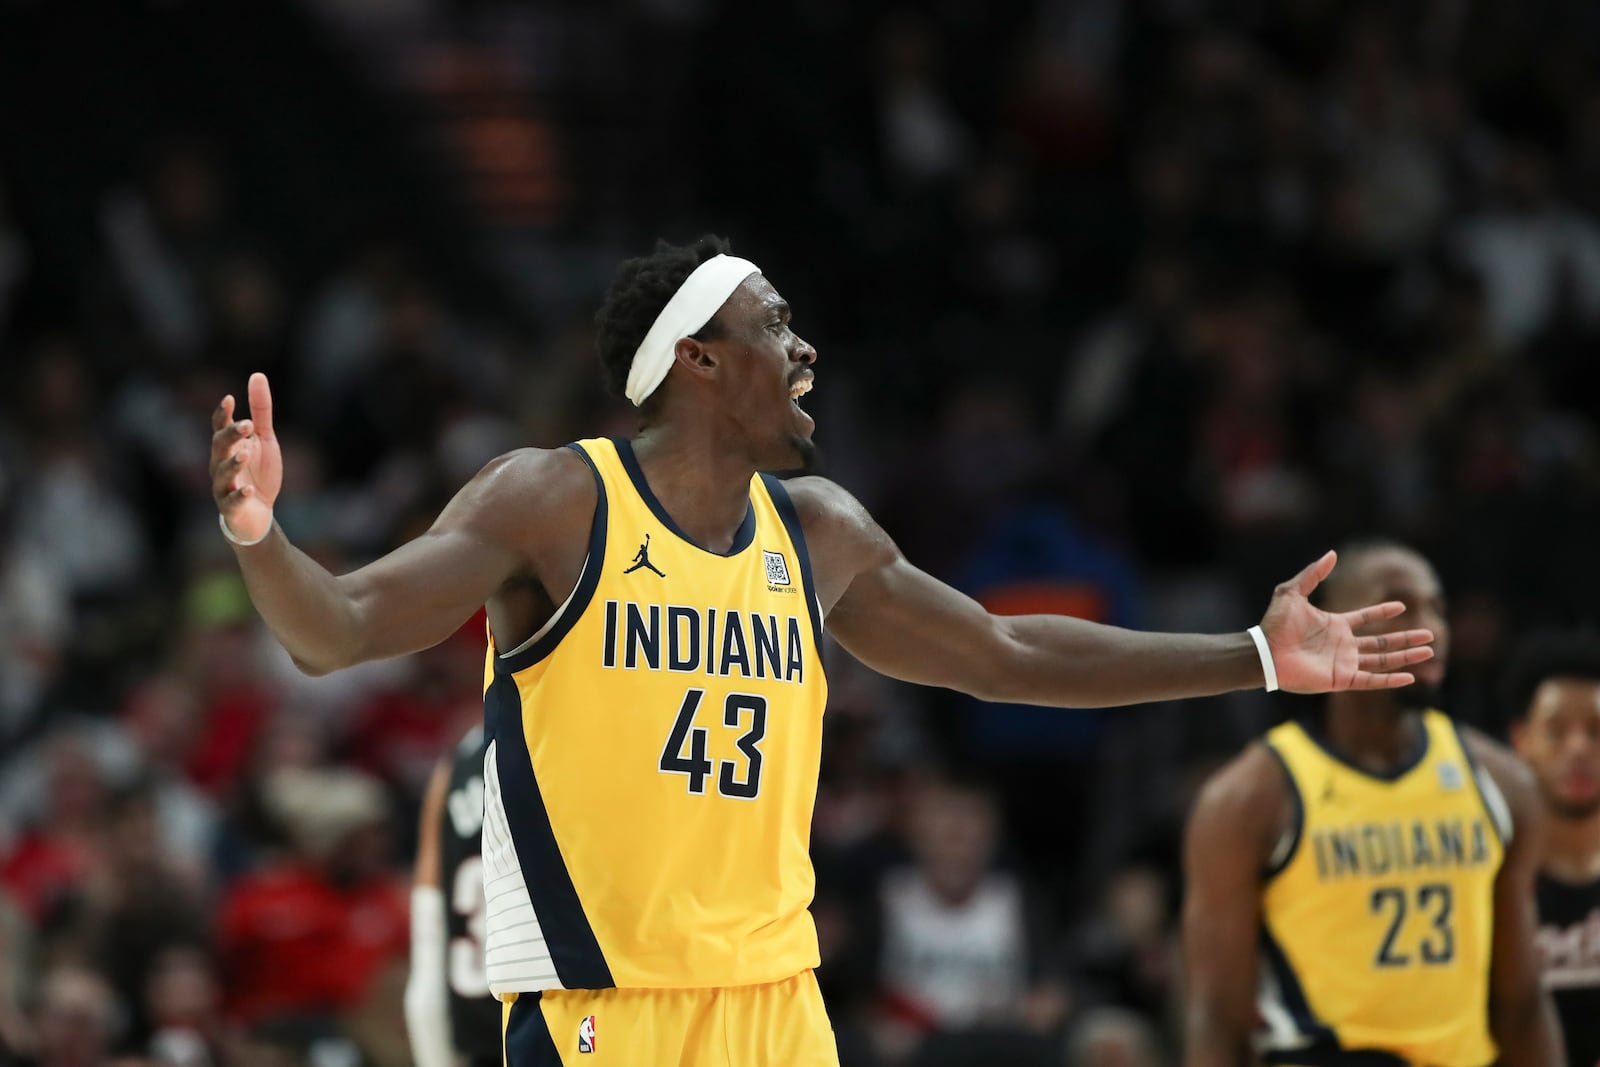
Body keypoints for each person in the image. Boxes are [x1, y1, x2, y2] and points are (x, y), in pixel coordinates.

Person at [210, 235, 1432, 1066]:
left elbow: (1005, 651)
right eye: (773, 324)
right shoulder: (555, 501)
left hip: (780, 1002)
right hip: (606, 1008)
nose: (803, 350)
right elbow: (344, 629)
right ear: (696, 357)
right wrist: (263, 534)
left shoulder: (818, 527)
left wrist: (1254, 656)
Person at [1182, 541, 1560, 1067]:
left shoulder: (1503, 783)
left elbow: (1521, 1005)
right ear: (1330, 624)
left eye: (1438, 609)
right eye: (1401, 607)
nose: (1431, 629)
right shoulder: (1250, 798)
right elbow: (1218, 1017)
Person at [1507, 632, 1600, 1067]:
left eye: (1597, 732)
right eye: (1557, 732)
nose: (1579, 749)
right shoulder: (1492, 884)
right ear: (1521, 741)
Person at [406, 724, 499, 1067]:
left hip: (475, 1023)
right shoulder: (569, 745)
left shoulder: (457, 763)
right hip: (552, 1020)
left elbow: (428, 934)